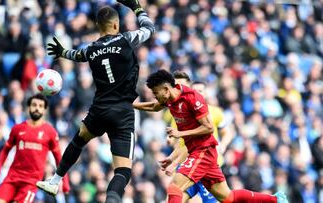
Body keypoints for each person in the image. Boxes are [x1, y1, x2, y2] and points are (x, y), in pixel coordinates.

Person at [36, 1, 155, 202]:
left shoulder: (91, 49)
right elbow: (149, 28)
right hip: (123, 114)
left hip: (99, 110)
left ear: (98, 27)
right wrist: (136, 8)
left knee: (79, 139)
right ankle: (111, 200)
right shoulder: (126, 39)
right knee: (122, 171)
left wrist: (62, 52)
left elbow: (77, 55)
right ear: (116, 25)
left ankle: (55, 180)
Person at [133, 70, 288, 203]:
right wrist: (128, 104)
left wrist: (181, 133)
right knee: (228, 198)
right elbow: (153, 106)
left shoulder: (193, 98)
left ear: (166, 89)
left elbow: (209, 128)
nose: (154, 96)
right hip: (196, 153)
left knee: (174, 187)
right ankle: (275, 200)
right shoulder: (170, 99)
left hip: (203, 151)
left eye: (155, 93)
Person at [161, 71, 234, 203]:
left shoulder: (215, 112)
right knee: (176, 196)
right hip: (188, 161)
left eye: (201, 90)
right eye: (195, 90)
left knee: (211, 199)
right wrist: (171, 141)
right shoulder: (180, 111)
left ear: (206, 93)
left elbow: (227, 132)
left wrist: (223, 145)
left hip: (208, 161)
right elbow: (177, 138)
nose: (198, 93)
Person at [0, 94, 70, 203]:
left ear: (45, 110)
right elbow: (5, 150)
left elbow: (59, 159)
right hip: (12, 177)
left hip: (30, 182)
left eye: (40, 106)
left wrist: (65, 182)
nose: (37, 108)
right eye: (34, 105)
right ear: (28, 107)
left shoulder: (50, 132)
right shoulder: (17, 129)